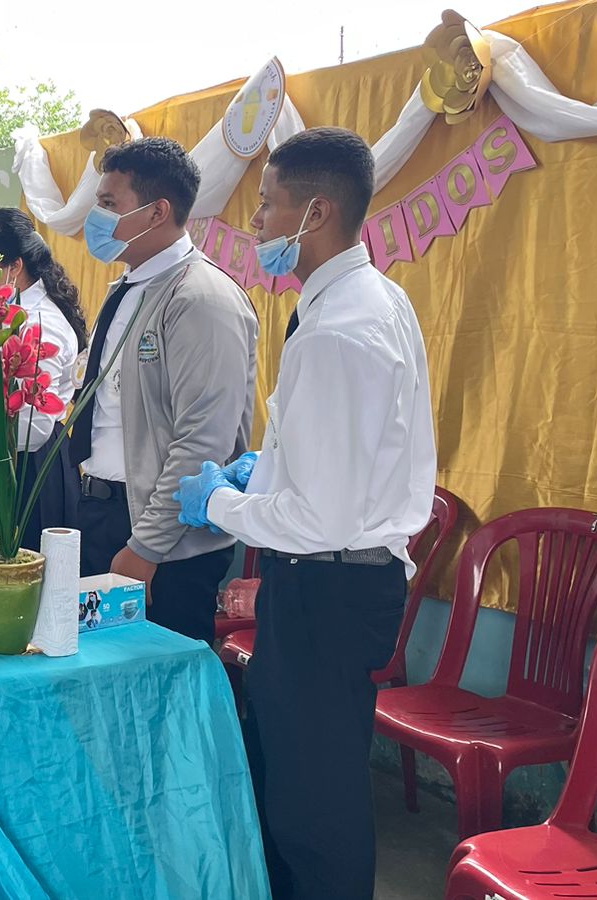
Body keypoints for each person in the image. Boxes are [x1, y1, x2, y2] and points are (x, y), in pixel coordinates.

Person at [176, 127, 437, 900]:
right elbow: (346, 455)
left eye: (267, 205)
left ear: (315, 211)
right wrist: (268, 469)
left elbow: (320, 518)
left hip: (327, 585)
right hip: (338, 581)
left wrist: (222, 502)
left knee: (312, 809)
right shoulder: (371, 299)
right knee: (300, 781)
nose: (255, 222)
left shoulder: (339, 330)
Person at [68, 137, 259, 642]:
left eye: (109, 203)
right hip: (103, 512)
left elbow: (203, 440)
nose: (96, 217)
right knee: (100, 670)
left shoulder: (201, 297)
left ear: (157, 212)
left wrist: (147, 546)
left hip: (162, 541)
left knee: (151, 675)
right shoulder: (129, 288)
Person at [0, 208, 88, 551]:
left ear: (14, 266)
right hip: (0, 456)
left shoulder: (40, 323)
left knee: (24, 567)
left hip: (30, 469)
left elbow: (35, 427)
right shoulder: (5, 312)